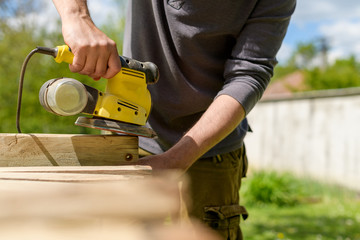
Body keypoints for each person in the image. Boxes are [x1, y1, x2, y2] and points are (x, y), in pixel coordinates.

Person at [52, 0, 296, 239]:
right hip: (128, 138)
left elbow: (249, 73)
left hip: (211, 147)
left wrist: (177, 159)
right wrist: (76, 17)